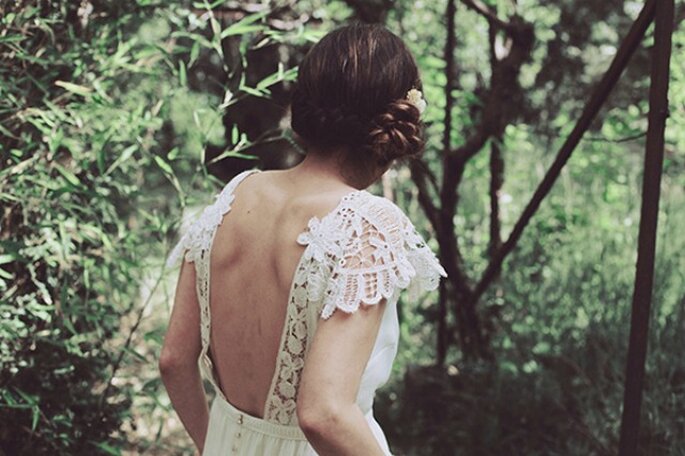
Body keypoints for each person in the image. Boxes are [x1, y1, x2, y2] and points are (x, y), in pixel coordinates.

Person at [159, 22, 447, 456]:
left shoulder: (234, 198)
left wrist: (212, 445)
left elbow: (174, 360)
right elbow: (324, 413)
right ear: (394, 123)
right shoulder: (365, 224)